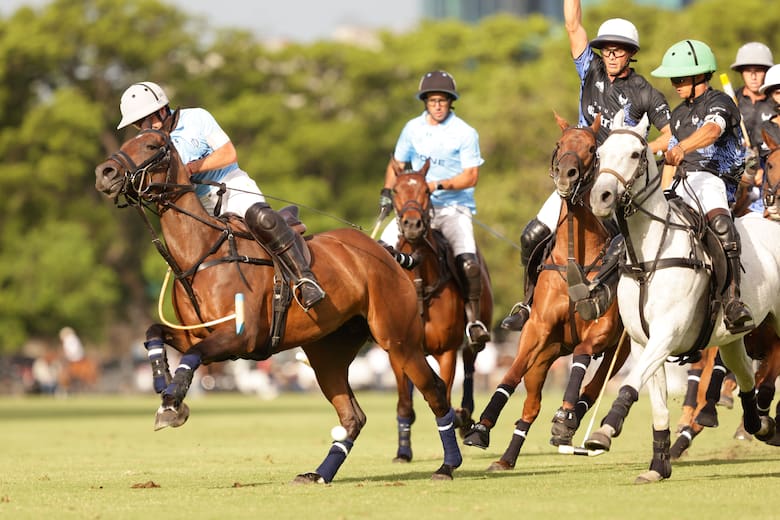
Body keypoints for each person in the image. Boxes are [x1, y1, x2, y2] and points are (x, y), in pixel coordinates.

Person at [501, 0, 672, 331]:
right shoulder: (589, 70)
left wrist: (637, 150)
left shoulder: (645, 93)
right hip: (582, 177)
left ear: (630, 54)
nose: (610, 56)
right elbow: (572, 25)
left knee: (621, 248)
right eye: (606, 50)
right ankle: (527, 301)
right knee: (531, 235)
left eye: (618, 51)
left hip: (620, 185)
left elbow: (672, 136)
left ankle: (615, 312)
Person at [117, 82, 325, 309]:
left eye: (149, 119)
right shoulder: (149, 144)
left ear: (163, 109)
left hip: (231, 187)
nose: (146, 126)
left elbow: (228, 153)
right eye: (139, 123)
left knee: (262, 218)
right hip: (197, 206)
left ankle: (306, 280)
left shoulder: (196, 118)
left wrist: (193, 168)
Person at [378, 70, 490, 347]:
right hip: (414, 210)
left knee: (469, 262)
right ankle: (375, 315)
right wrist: (386, 193)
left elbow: (471, 176)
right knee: (380, 252)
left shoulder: (465, 132)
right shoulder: (411, 129)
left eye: (442, 100)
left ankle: (473, 320)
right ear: (425, 102)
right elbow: (397, 165)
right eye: (432, 100)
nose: (438, 105)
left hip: (453, 207)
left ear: (450, 102)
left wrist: (437, 185)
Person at [650, 39, 754, 333]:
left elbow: (711, 131)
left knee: (721, 224)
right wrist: (663, 193)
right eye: (673, 78)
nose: (675, 84)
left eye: (681, 78)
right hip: (683, 182)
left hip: (715, 179)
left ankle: (733, 300)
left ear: (700, 76)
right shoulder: (678, 113)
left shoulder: (721, 102)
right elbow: (671, 159)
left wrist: (682, 146)